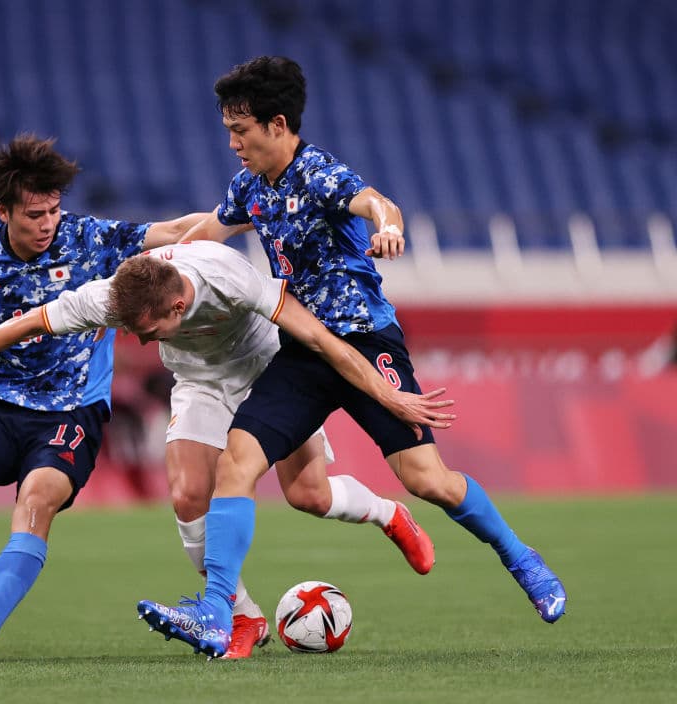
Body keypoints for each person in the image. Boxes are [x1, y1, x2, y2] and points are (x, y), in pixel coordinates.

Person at [137, 56, 567, 659]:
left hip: (367, 342)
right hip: (302, 352)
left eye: (241, 130)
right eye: (229, 130)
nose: (232, 143)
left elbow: (375, 202)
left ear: (278, 123)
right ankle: (216, 609)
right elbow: (208, 228)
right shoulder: (250, 186)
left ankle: (521, 558)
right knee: (237, 464)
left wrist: (388, 227)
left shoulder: (318, 172)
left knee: (429, 481)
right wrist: (151, 255)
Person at [0, 239, 454, 659]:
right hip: (199, 386)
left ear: (181, 301)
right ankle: (242, 616)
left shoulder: (225, 274)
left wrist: (386, 394)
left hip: (267, 373)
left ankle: (387, 513)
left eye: (152, 330)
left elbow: (314, 336)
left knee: (307, 494)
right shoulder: (113, 298)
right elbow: (27, 324)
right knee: (189, 495)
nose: (143, 341)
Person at [0, 133, 221, 663]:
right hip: (3, 406)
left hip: (72, 415)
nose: (47, 222)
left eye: (53, 209)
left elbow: (168, 231)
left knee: (36, 501)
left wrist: (236, 213)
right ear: (3, 210)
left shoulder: (90, 238)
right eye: (34, 214)